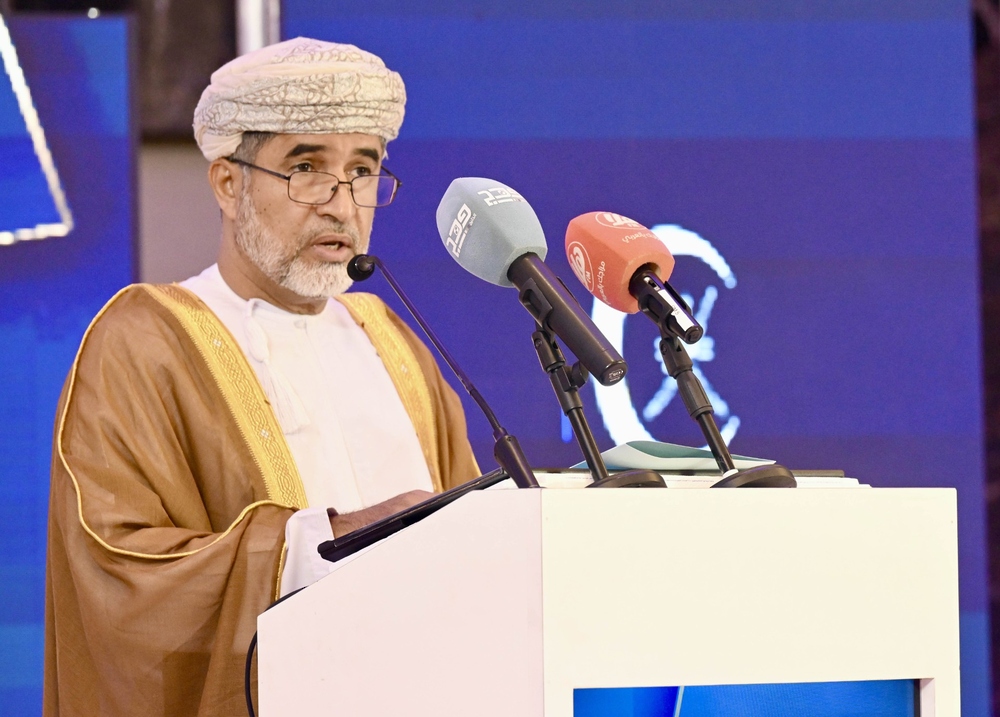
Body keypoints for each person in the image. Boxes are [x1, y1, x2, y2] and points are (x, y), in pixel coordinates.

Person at [43, 38, 480, 716]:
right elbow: (117, 571)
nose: (342, 205)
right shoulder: (144, 339)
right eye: (306, 167)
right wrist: (326, 539)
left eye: (362, 170)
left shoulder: (392, 341)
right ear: (228, 183)